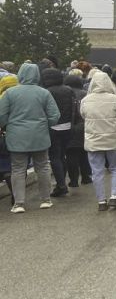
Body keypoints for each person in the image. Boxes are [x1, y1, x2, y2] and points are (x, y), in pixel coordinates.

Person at [0, 63, 60, 213]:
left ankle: (19, 203)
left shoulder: (10, 93)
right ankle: (46, 200)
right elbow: (55, 115)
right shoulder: (44, 93)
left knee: (18, 169)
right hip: (39, 135)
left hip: (16, 136)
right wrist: (45, 125)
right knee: (43, 167)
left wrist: (8, 126)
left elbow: (1, 115)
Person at [81, 71, 116, 210]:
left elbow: (83, 116)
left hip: (93, 139)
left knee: (97, 170)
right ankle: (114, 196)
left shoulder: (85, 100)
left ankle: (101, 201)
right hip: (113, 138)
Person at [41, 67, 76, 197]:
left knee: (55, 157)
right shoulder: (68, 90)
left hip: (53, 127)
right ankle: (61, 183)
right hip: (67, 126)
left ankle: (61, 185)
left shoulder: (47, 91)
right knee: (62, 156)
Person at [63, 73, 93, 186]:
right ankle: (86, 177)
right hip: (85, 126)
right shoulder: (86, 94)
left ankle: (73, 180)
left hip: (70, 126)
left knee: (71, 154)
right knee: (84, 153)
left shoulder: (66, 93)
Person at [0, 73, 19, 204]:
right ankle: (15, 195)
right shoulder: (20, 97)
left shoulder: (2, 97)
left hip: (3, 133)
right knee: (12, 166)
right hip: (16, 134)